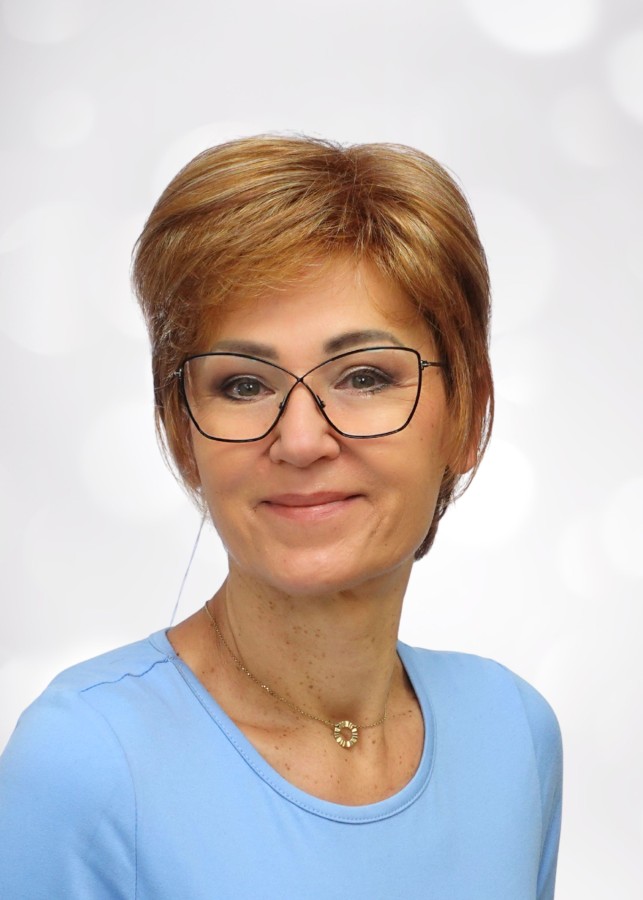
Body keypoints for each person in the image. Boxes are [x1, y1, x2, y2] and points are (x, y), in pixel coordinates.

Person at [0, 135, 562, 899]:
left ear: (466, 414)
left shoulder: (512, 733)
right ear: (183, 434)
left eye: (364, 376)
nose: (299, 441)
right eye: (242, 384)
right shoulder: (85, 762)